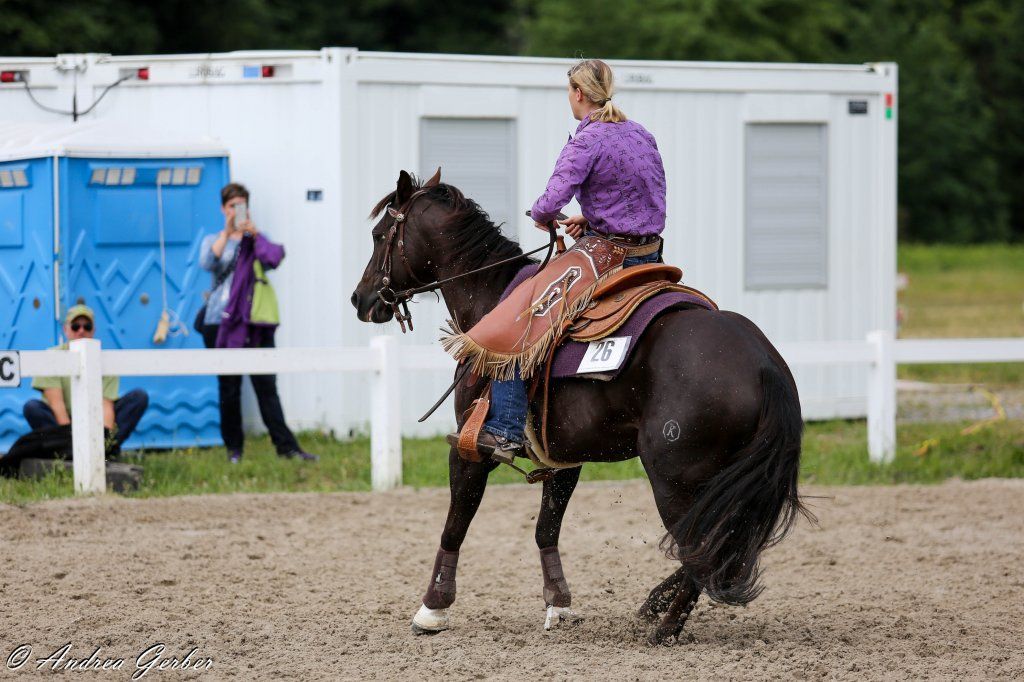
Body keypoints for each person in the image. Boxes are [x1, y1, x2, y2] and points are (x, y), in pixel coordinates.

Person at [452, 58, 667, 464]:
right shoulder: (641, 134)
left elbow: (550, 202)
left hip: (607, 257)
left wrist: (542, 216)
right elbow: (648, 198)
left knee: (520, 313)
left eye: (569, 92)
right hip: (650, 255)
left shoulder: (586, 141)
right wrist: (595, 216)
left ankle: (507, 428)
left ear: (579, 94)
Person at [198, 183, 317, 464]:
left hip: (254, 322)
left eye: (241, 206)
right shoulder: (214, 239)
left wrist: (255, 233)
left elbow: (273, 258)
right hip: (221, 321)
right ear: (222, 209)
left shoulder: (258, 239)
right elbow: (206, 262)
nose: (236, 211)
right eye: (231, 206)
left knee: (266, 385)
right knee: (229, 389)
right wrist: (228, 233)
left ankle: (287, 448)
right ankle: (234, 451)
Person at [24, 304, 149, 449]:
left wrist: (103, 438)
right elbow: (57, 405)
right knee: (32, 407)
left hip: (94, 418)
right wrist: (74, 441)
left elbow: (106, 405)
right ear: (66, 329)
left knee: (139, 397)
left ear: (94, 330)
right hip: (62, 424)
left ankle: (107, 449)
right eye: (76, 326)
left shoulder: (105, 360)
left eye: (87, 326)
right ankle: (64, 449)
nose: (81, 331)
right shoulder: (51, 356)